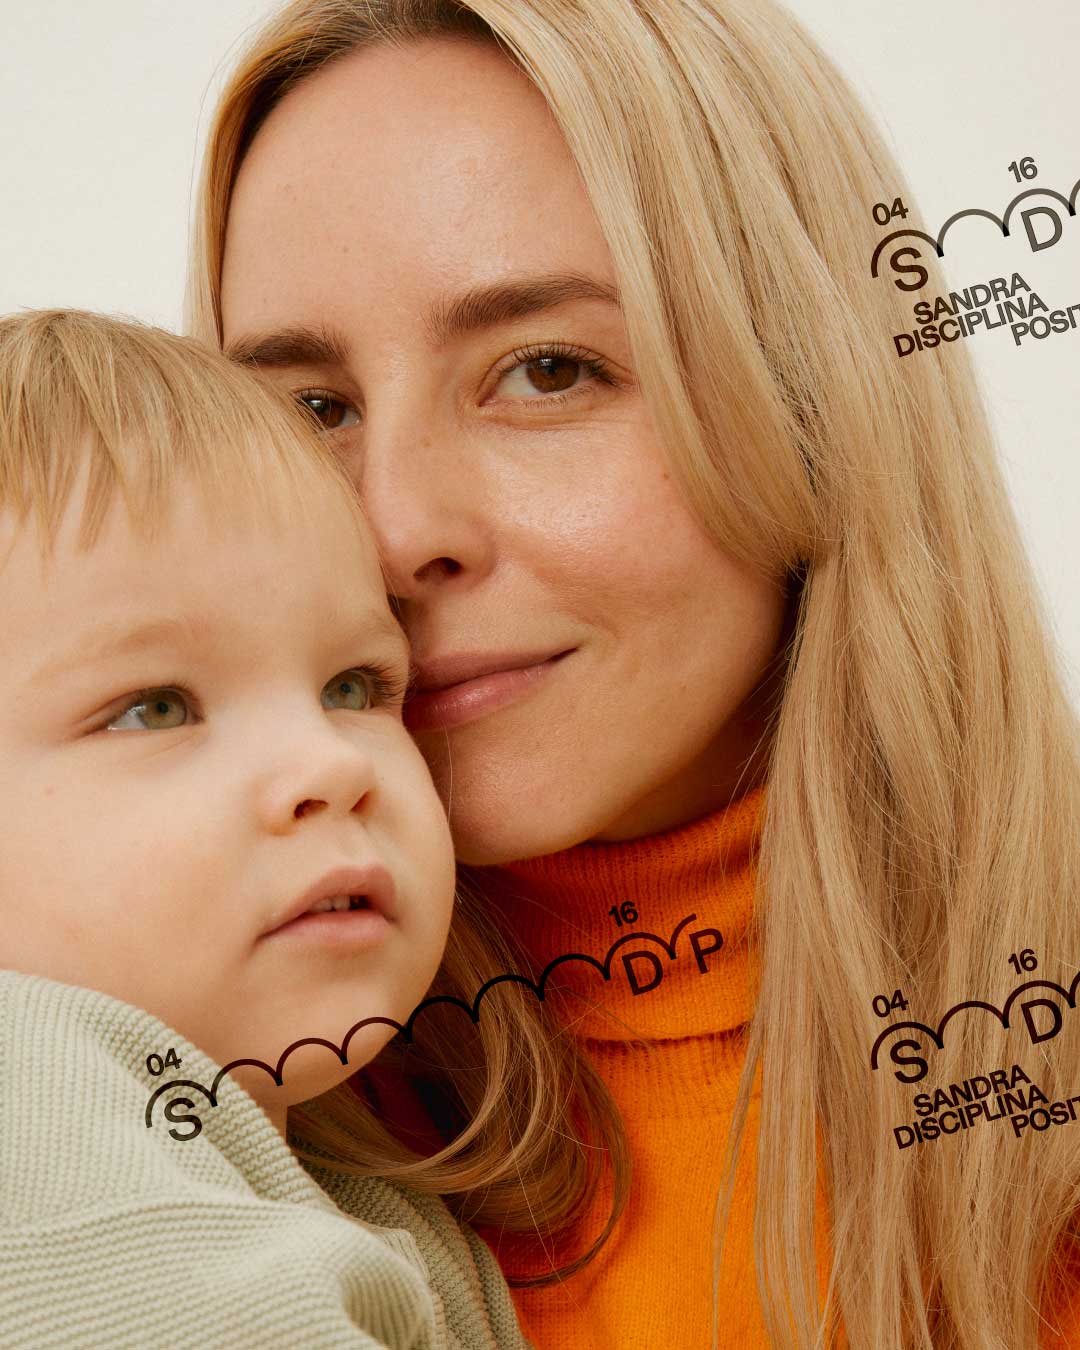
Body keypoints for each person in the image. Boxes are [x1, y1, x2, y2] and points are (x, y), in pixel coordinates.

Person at [188, 0, 1080, 1345]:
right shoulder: (141, 1120)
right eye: (311, 410)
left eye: (546, 371)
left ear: (818, 404)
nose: (394, 528)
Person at [0, 308, 545, 1349]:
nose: (333, 766)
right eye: (156, 707)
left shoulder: (321, 1176)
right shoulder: (37, 1124)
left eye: (355, 686)